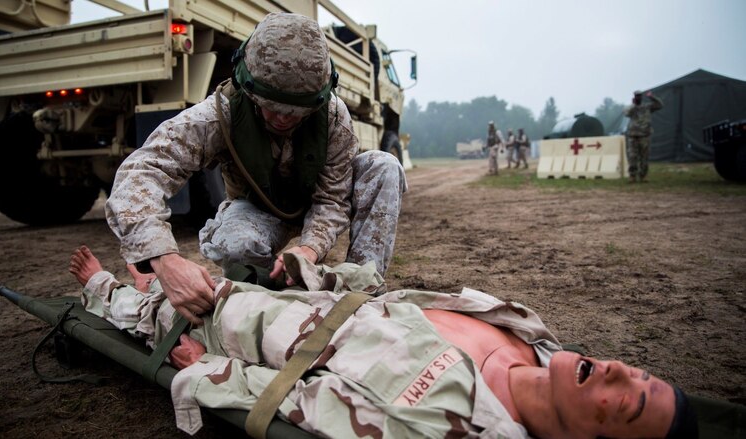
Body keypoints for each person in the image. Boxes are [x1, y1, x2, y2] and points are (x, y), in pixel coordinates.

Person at [70, 246, 698, 439]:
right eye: (640, 373)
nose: (618, 368)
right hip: (317, 299)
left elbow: (300, 403)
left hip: (260, 332)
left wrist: (206, 371)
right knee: (211, 268)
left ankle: (103, 290)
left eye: (631, 403)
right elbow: (404, 306)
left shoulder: (447, 423)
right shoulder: (530, 332)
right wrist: (329, 273)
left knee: (163, 305)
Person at [104, 12, 407, 326]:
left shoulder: (332, 115)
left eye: (296, 112)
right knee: (235, 245)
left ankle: (360, 293)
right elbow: (141, 171)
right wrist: (163, 259)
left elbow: (331, 200)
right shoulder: (219, 114)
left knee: (384, 165)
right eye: (272, 107)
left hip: (313, 202)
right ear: (246, 84)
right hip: (258, 209)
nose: (282, 120)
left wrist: (309, 249)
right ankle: (268, 300)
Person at [624, 90, 663, 183]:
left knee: (644, 156)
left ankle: (643, 176)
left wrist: (652, 97)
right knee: (632, 156)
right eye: (637, 96)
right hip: (633, 136)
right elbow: (626, 113)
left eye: (640, 96)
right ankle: (632, 176)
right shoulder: (631, 108)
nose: (638, 98)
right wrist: (634, 105)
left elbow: (660, 105)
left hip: (645, 135)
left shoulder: (647, 107)